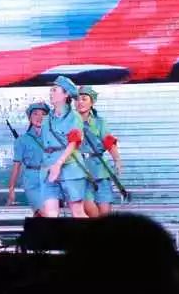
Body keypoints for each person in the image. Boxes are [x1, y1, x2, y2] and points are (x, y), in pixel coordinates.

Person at [39, 76, 89, 218]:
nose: (51, 93)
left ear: (66, 94)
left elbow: (74, 142)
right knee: (50, 214)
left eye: (55, 90)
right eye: (51, 90)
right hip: (49, 169)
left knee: (77, 212)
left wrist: (59, 164)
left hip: (71, 168)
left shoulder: (74, 117)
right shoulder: (47, 119)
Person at [77, 86, 123, 217]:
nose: (80, 102)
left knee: (105, 212)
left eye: (84, 99)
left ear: (92, 102)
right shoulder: (70, 122)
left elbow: (109, 142)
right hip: (80, 171)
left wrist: (117, 160)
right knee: (89, 209)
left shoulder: (99, 122)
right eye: (77, 99)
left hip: (100, 170)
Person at [7, 102, 48, 216]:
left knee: (43, 214)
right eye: (35, 114)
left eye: (43, 114)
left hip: (50, 179)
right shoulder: (22, 140)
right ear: (29, 118)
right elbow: (17, 166)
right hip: (32, 180)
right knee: (46, 213)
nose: (39, 117)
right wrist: (11, 188)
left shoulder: (53, 138)